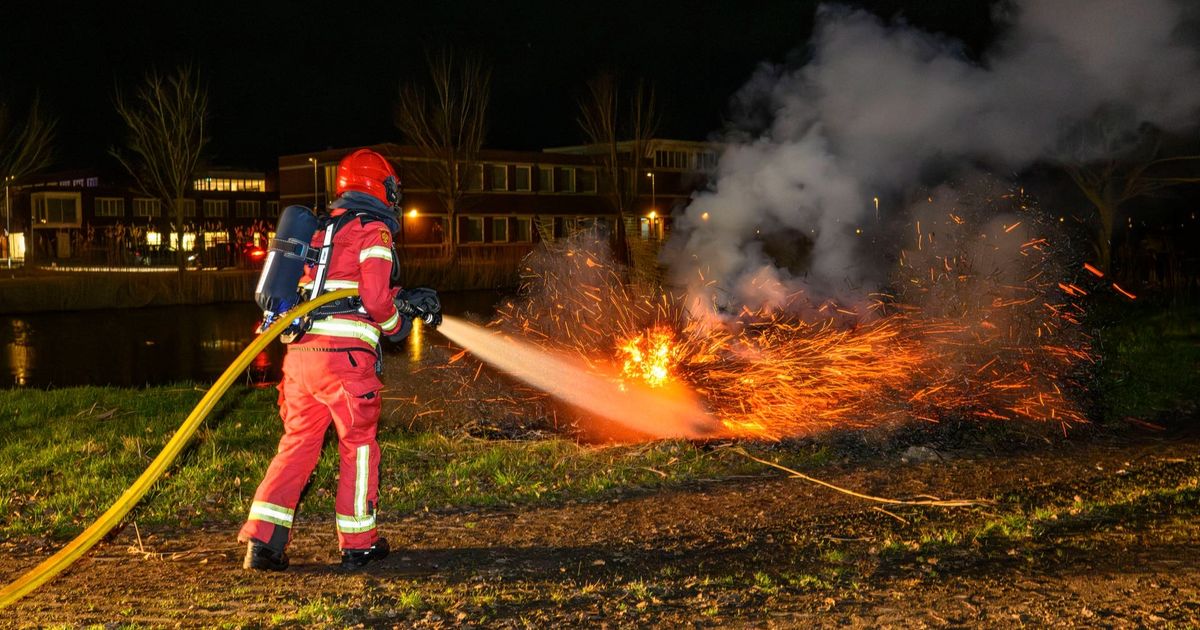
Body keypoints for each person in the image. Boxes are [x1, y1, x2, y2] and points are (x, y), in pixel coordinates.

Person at [238, 148, 411, 571]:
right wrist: (396, 324)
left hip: (299, 360)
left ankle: (263, 544)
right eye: (391, 189)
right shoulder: (375, 232)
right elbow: (372, 297)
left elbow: (323, 289)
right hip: (346, 363)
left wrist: (401, 301)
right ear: (378, 187)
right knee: (359, 446)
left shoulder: (318, 231)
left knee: (297, 445)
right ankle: (358, 542)